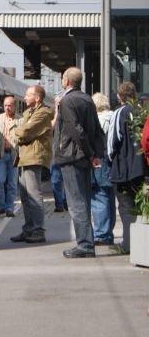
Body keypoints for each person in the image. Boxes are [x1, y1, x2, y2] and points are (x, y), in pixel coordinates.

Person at [53, 67, 104, 259]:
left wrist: (90, 152)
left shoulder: (67, 101)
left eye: (62, 78)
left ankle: (84, 245)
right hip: (83, 158)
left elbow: (76, 130)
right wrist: (96, 154)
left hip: (72, 156)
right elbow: (97, 129)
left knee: (76, 203)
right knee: (84, 200)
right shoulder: (87, 99)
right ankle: (86, 242)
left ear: (66, 81)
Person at [106, 82, 147, 254]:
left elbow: (113, 141)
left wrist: (109, 160)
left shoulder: (120, 112)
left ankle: (128, 244)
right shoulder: (141, 111)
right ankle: (141, 243)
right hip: (141, 168)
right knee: (140, 206)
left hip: (124, 169)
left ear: (119, 96)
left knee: (125, 206)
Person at [11, 85, 54, 243]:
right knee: (24, 196)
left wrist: (19, 135)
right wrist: (21, 134)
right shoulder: (28, 113)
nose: (24, 97)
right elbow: (23, 131)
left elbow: (24, 131)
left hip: (34, 157)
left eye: (28, 95)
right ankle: (28, 228)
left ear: (37, 98)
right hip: (23, 157)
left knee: (34, 195)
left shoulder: (42, 113)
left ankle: (38, 229)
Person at [0, 95, 19, 218]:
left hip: (14, 155)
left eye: (10, 105)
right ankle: (0, 206)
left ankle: (10, 208)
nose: (7, 108)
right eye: (5, 105)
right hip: (0, 155)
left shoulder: (20, 120)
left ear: (14, 106)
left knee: (12, 183)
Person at [91, 92, 115, 246]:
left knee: (99, 195)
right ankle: (108, 232)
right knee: (108, 196)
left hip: (100, 160)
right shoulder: (113, 116)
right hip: (111, 162)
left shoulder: (98, 120)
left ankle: (101, 234)